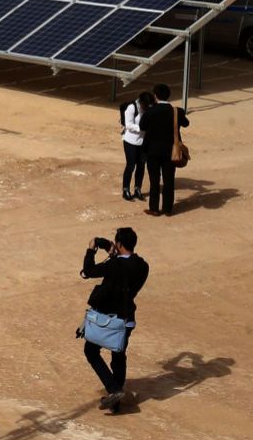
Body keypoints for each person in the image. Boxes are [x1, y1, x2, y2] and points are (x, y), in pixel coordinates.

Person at [81, 226, 149, 413]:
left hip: (108, 317)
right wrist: (114, 256)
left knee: (91, 350)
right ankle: (115, 403)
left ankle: (114, 389)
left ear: (118, 244)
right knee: (118, 356)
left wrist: (91, 249)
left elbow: (88, 271)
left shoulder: (114, 266)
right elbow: (124, 274)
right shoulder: (143, 265)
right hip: (126, 318)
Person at [139, 82, 189, 216]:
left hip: (153, 151)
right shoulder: (176, 111)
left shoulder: (151, 111)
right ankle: (167, 209)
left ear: (155, 96)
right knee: (169, 180)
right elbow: (186, 123)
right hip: (170, 151)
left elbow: (142, 126)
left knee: (154, 180)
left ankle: (154, 208)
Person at [120, 91, 155, 201]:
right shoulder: (132, 107)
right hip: (130, 141)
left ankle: (137, 188)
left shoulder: (149, 108)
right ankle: (126, 189)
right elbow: (128, 125)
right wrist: (142, 128)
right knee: (131, 165)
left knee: (141, 166)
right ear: (141, 102)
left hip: (143, 142)